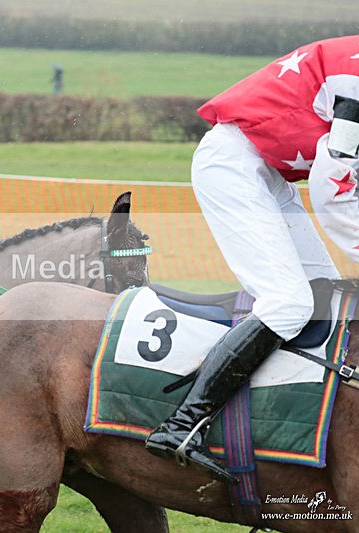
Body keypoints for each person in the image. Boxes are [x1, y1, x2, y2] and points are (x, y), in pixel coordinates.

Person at [145, 36, 359, 484]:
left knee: (325, 296)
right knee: (290, 302)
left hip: (269, 174)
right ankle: (182, 427)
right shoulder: (356, 83)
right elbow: (332, 188)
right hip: (233, 166)